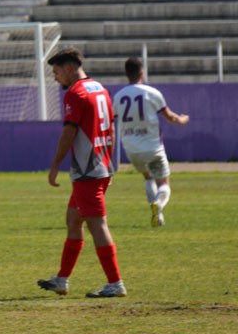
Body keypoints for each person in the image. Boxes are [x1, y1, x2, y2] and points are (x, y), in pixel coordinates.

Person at [37, 47, 127, 298]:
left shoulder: (75, 94)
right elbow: (109, 128)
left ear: (68, 68)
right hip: (102, 165)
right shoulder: (100, 89)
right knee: (74, 220)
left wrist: (55, 165)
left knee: (97, 224)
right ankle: (61, 280)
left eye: (56, 73)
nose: (55, 78)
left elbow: (69, 132)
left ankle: (115, 283)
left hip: (88, 169)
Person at [112, 57, 189, 227]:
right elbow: (169, 117)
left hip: (131, 149)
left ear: (126, 74)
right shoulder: (152, 93)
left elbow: (112, 121)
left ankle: (158, 217)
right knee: (164, 183)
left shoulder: (118, 96)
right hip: (153, 148)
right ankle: (158, 205)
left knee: (148, 178)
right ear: (142, 73)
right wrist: (182, 120)